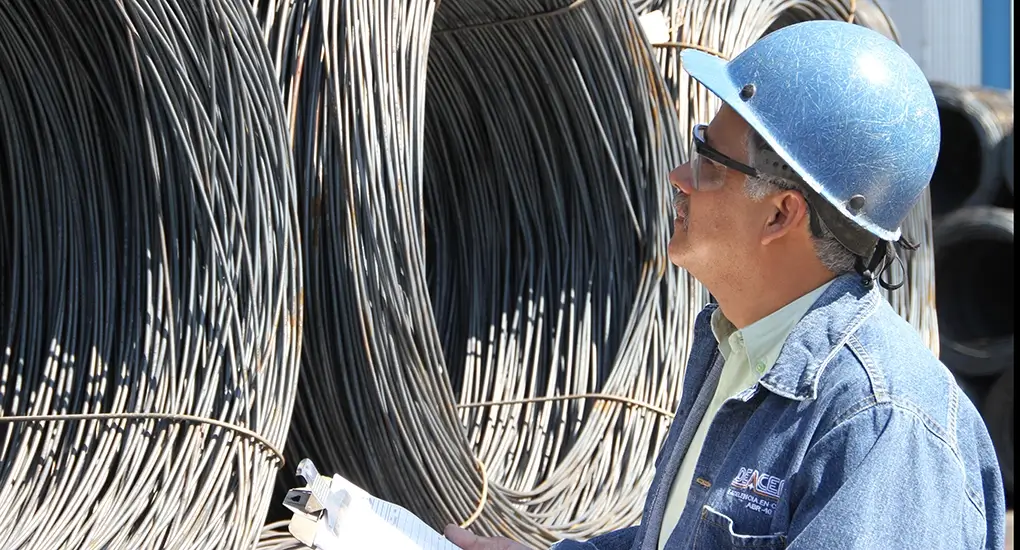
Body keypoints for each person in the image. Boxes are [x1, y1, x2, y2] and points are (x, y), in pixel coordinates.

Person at [443, 20, 1007, 550]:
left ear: (781, 215)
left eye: (709, 162)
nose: (679, 178)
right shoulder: (736, 346)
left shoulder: (881, 427)